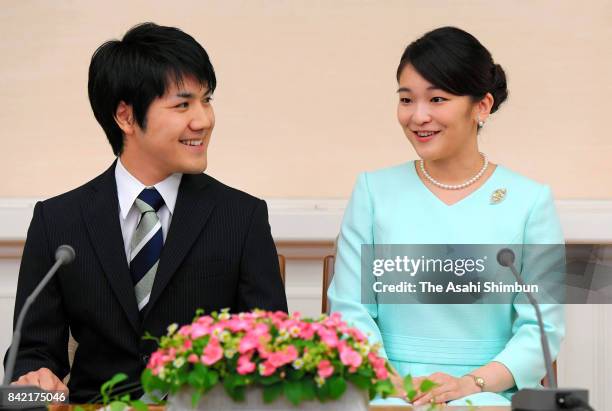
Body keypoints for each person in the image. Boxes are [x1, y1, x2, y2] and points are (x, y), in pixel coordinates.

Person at [5, 22, 287, 402]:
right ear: (125, 117)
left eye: (207, 100)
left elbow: (272, 354)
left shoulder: (242, 217)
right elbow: (31, 355)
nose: (203, 120)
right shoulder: (57, 222)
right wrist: (34, 383)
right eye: (183, 104)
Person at [327, 26, 564, 406]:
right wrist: (391, 383)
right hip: (388, 390)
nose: (418, 116)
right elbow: (349, 310)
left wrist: (471, 383)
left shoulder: (529, 201)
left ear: (482, 106)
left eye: (437, 99)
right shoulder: (373, 192)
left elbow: (541, 326)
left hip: (490, 390)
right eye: (406, 100)